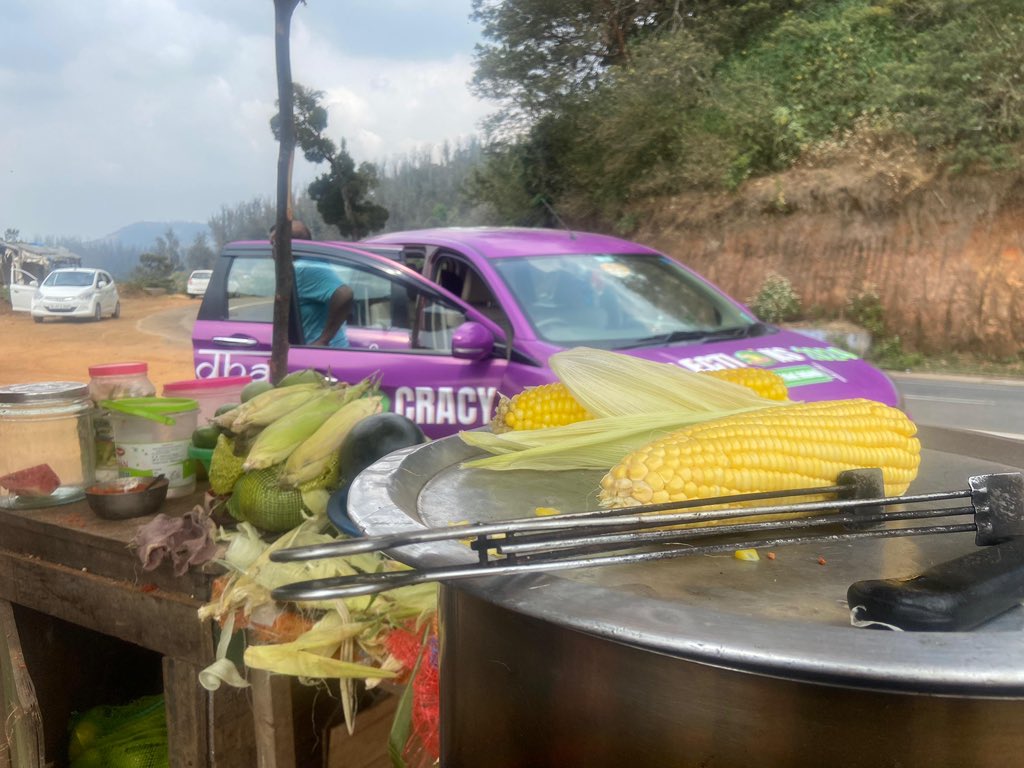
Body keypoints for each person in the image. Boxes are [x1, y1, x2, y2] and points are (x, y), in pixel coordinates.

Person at [270, 220, 353, 347]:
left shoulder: (302, 269)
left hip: (322, 355)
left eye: (273, 244)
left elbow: (344, 293)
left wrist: (323, 340)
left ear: (286, 244)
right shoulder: (314, 262)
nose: (272, 251)